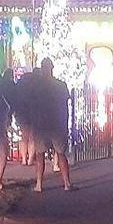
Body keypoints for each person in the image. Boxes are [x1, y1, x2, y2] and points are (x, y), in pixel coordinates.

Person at [32, 58, 73, 192]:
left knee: (40, 155)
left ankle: (39, 184)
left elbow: (33, 105)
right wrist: (65, 122)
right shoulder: (60, 85)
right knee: (61, 153)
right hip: (56, 123)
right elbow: (65, 105)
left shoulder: (37, 87)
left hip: (41, 124)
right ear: (52, 68)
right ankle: (66, 183)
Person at [15, 70, 37, 166]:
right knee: (32, 137)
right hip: (32, 113)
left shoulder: (19, 89)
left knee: (24, 136)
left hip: (21, 113)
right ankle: (30, 159)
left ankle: (24, 159)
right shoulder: (34, 88)